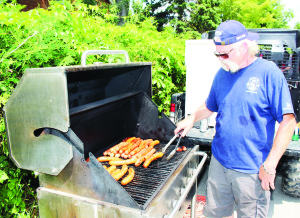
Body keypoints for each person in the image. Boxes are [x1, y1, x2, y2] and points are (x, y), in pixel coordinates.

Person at [174, 20, 297, 218]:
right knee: (215, 214)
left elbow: (288, 122)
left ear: (244, 47)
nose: (220, 59)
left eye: (225, 53)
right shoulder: (222, 74)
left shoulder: (268, 73)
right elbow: (209, 106)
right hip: (219, 163)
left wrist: (270, 165)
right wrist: (192, 118)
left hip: (252, 170)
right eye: (217, 54)